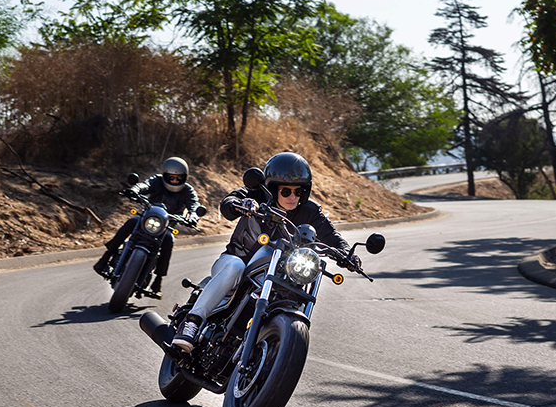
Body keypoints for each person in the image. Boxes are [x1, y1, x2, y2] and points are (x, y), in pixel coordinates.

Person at [171, 151, 359, 352]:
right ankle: (192, 321)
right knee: (235, 266)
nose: (292, 197)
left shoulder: (310, 211)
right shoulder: (255, 195)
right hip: (237, 263)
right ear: (273, 188)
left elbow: (331, 236)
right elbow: (228, 202)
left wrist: (347, 253)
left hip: (279, 271)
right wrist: (241, 205)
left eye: (298, 191)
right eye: (286, 191)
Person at [93, 157, 201, 298]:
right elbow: (144, 185)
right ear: (165, 175)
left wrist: (193, 216)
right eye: (171, 177)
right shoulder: (157, 181)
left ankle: (158, 280)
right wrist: (134, 190)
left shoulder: (188, 190)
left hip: (166, 226)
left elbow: (194, 204)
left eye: (178, 178)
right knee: (131, 222)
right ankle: (105, 258)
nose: (174, 181)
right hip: (146, 218)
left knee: (169, 239)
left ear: (184, 178)